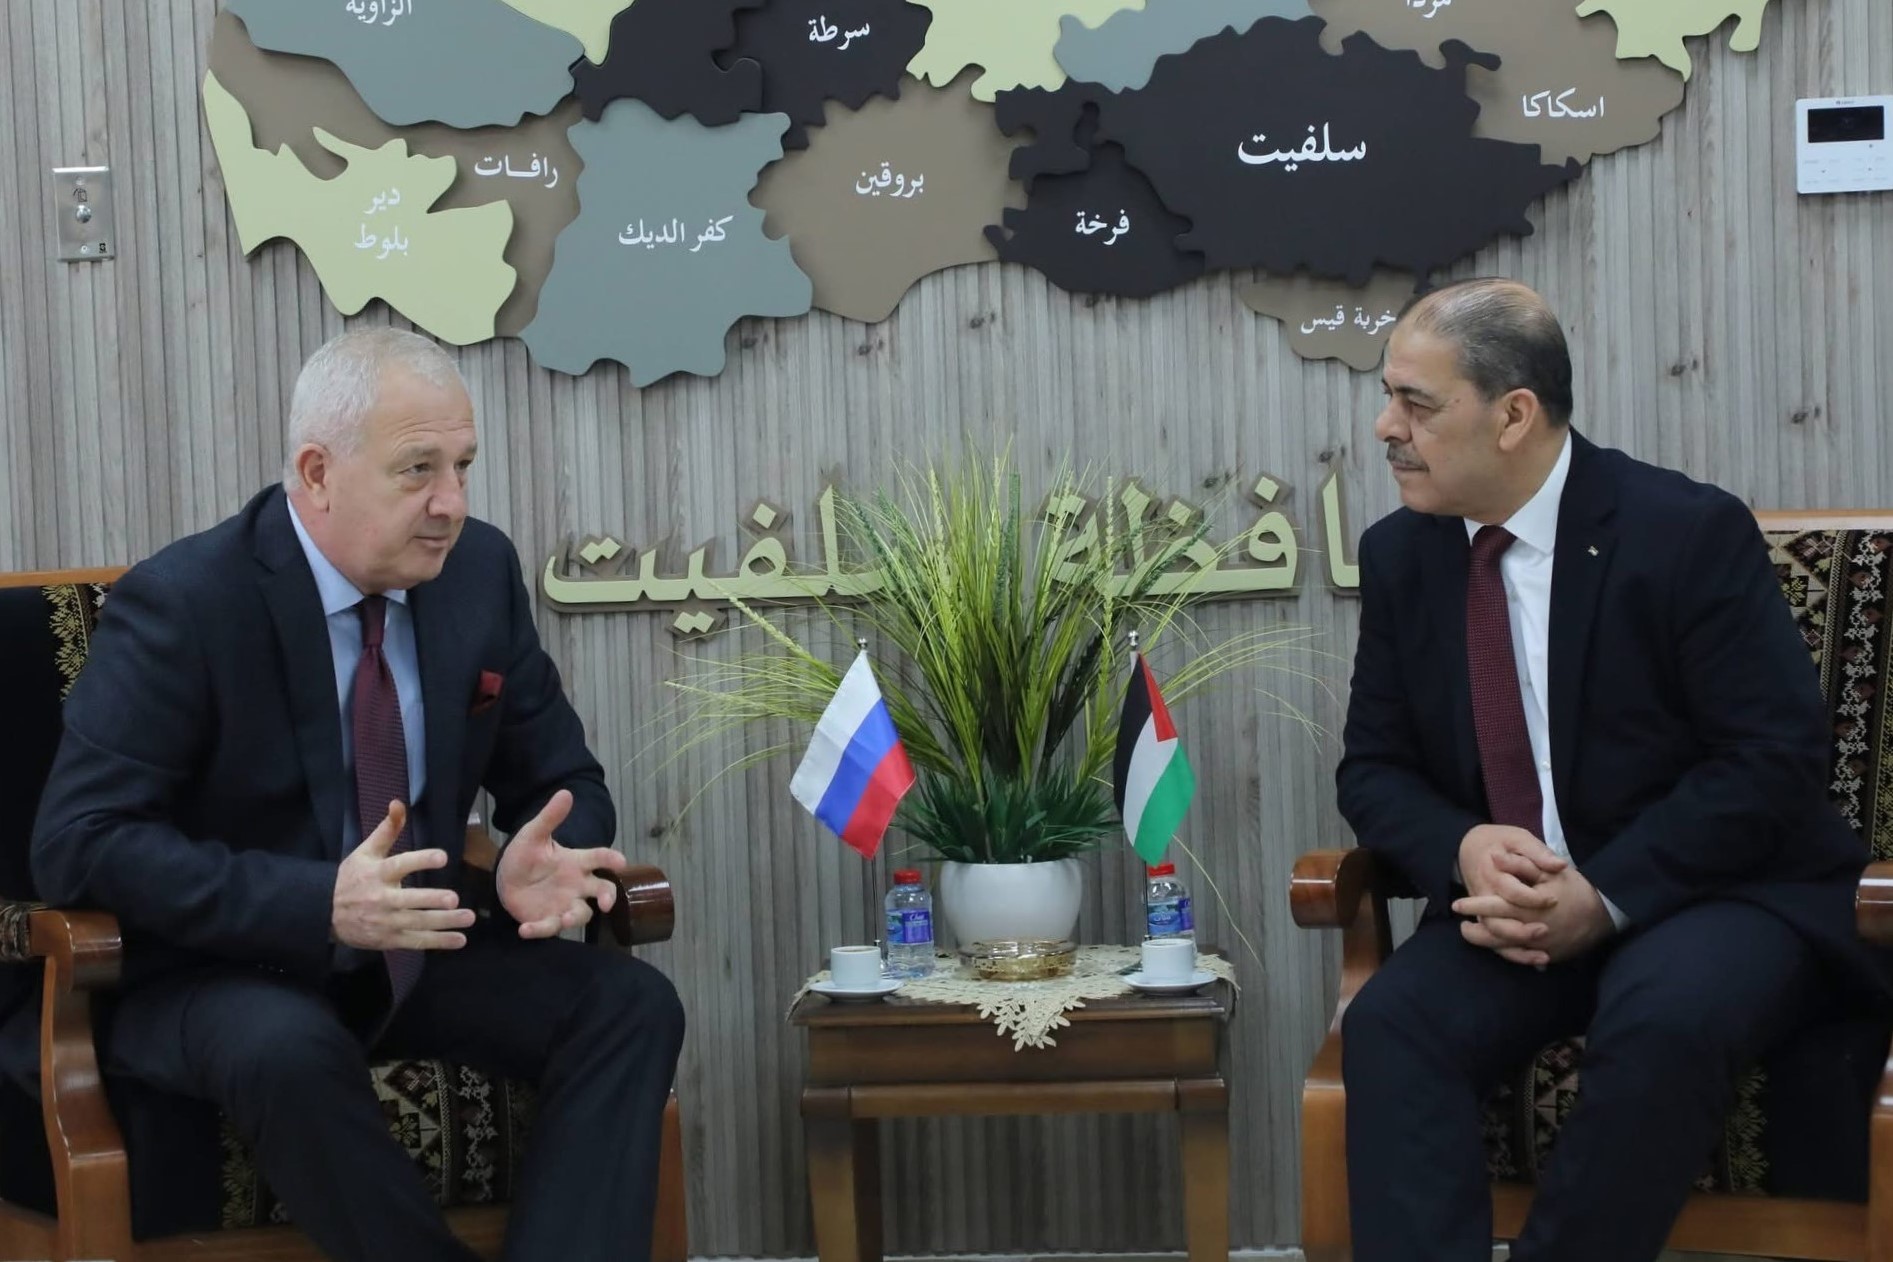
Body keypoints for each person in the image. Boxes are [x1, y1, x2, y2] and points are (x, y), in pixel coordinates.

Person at [31, 327, 685, 1262]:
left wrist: (539, 856)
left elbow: (560, 779)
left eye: (462, 467)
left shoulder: (477, 574)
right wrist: (317, 903)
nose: (451, 503)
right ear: (318, 473)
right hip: (223, 969)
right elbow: (81, 840)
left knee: (629, 1005)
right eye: (418, 470)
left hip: (417, 950)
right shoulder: (187, 602)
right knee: (286, 1049)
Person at [1334, 278, 1882, 1260]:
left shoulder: (1681, 531)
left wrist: (1604, 893)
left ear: (1513, 415)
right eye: (1388, 397)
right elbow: (1372, 767)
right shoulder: (1401, 555)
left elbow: (1770, 760)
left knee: (1663, 1018)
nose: (1387, 427)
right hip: (1517, 907)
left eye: (1416, 402)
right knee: (1392, 1024)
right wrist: (1463, 846)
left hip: (1711, 892)